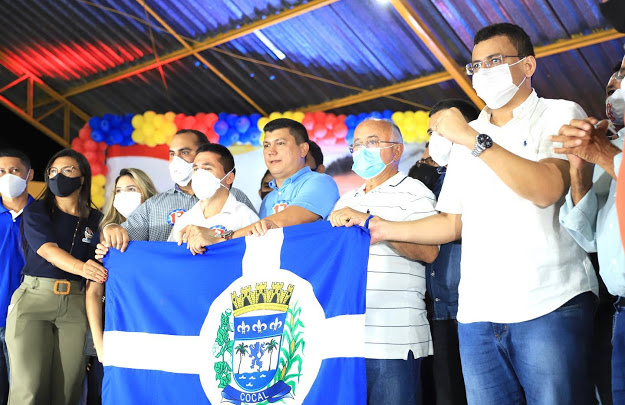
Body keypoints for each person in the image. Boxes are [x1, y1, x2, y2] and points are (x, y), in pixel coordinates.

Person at [352, 23, 598, 404]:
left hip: (548, 301)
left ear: (528, 66)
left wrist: (471, 139)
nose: (483, 72)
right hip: (477, 313)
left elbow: (547, 189)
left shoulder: (557, 113)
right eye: (476, 65)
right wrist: (381, 228)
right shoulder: (473, 133)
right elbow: (451, 221)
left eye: (495, 61)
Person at [329, 118, 439, 405]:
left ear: (398, 150)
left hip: (394, 339)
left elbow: (430, 252)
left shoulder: (415, 193)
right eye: (357, 144)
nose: (363, 150)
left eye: (373, 143)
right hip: (348, 338)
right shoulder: (344, 202)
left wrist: (372, 224)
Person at [6, 149, 107, 405]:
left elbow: (102, 256)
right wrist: (83, 268)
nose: (57, 176)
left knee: (68, 390)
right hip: (34, 301)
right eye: (52, 171)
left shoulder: (96, 219)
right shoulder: (36, 211)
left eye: (67, 171)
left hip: (76, 304)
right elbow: (48, 251)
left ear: (82, 178)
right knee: (29, 388)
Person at [556, 54, 625, 403]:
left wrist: (605, 155)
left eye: (624, 75)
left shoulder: (612, 151)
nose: (613, 84)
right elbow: (588, 237)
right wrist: (579, 168)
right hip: (618, 310)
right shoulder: (616, 144)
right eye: (612, 78)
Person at [180, 118, 339, 254]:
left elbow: (285, 220)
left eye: (280, 143)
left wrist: (222, 238)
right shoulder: (269, 198)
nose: (271, 152)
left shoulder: (320, 182)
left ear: (303, 149)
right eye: (266, 145)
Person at [409, 99, 479, 405]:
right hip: (436, 309)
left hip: (477, 307)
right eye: (431, 132)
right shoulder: (427, 182)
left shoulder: (488, 173)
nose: (435, 139)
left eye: (443, 129)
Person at [100, 129, 255, 250]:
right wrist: (111, 228)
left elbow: (256, 237)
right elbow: (122, 238)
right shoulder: (154, 205)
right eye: (172, 154)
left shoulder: (236, 197)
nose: (176, 160)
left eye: (184, 152)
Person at [85, 168, 157, 404]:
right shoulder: (104, 241)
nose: (124, 195)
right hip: (110, 331)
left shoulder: (161, 237)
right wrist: (99, 346)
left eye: (131, 189)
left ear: (147, 194)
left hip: (150, 332)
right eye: (118, 191)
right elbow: (94, 293)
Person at [169, 143, 258, 242]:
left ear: (229, 178)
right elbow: (170, 255)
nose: (199, 174)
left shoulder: (245, 217)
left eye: (207, 169)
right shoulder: (184, 220)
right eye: (196, 169)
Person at [0, 148, 34, 405]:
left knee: (23, 393)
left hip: (29, 320)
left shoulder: (45, 215)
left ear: (29, 175)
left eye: (14, 171)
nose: (7, 176)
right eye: (1, 172)